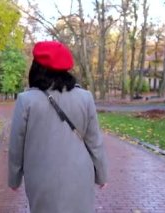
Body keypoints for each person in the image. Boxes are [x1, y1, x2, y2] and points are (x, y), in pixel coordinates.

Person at [8, 41, 108, 213]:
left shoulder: (26, 100)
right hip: (80, 175)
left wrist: (14, 179)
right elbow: (94, 141)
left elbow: (17, 144)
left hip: (41, 178)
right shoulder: (85, 98)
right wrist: (102, 174)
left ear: (36, 69)